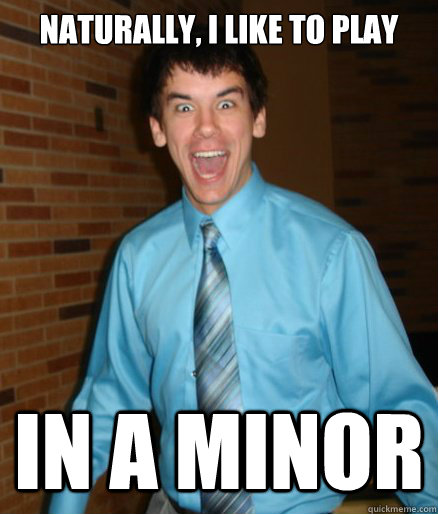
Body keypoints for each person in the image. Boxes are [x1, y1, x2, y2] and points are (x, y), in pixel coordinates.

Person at [49, 27, 438, 514]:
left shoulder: (332, 252)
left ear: (258, 118)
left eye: (227, 104)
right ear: (157, 128)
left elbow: (398, 410)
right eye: (184, 107)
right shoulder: (137, 258)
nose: (206, 128)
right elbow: (105, 400)